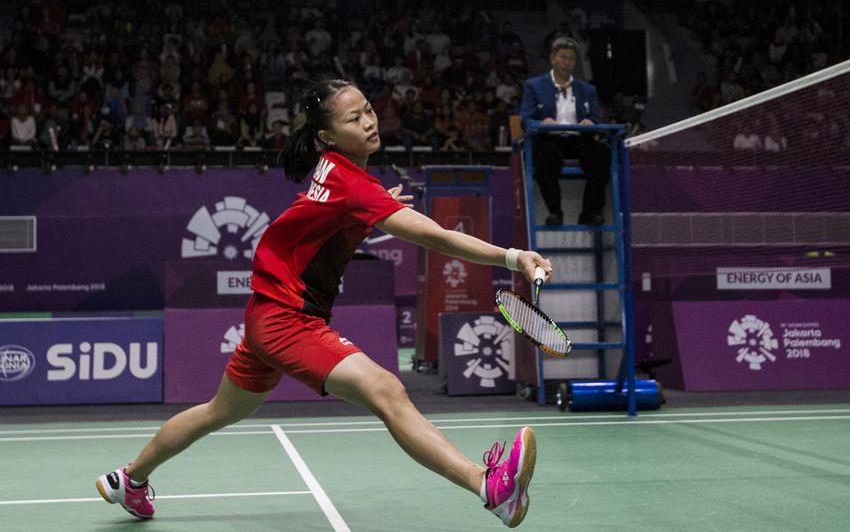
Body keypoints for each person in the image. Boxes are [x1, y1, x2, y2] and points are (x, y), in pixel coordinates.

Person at [97, 79, 549, 528]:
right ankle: (489, 488)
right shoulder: (354, 186)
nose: (370, 121)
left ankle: (129, 479)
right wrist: (513, 257)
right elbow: (440, 237)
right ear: (327, 137)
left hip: (265, 312)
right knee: (386, 390)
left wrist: (369, 215)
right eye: (354, 118)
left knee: (220, 410)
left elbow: (325, 222)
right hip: (286, 319)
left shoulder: (337, 171)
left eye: (369, 109)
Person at [519, 37, 608, 226]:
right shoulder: (534, 86)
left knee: (601, 154)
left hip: (579, 140)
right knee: (544, 154)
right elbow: (525, 120)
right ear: (552, 58)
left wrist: (590, 121)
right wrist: (542, 122)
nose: (566, 62)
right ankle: (555, 212)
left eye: (571, 58)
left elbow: (596, 119)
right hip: (549, 139)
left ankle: (589, 213)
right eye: (562, 57)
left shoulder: (587, 89)